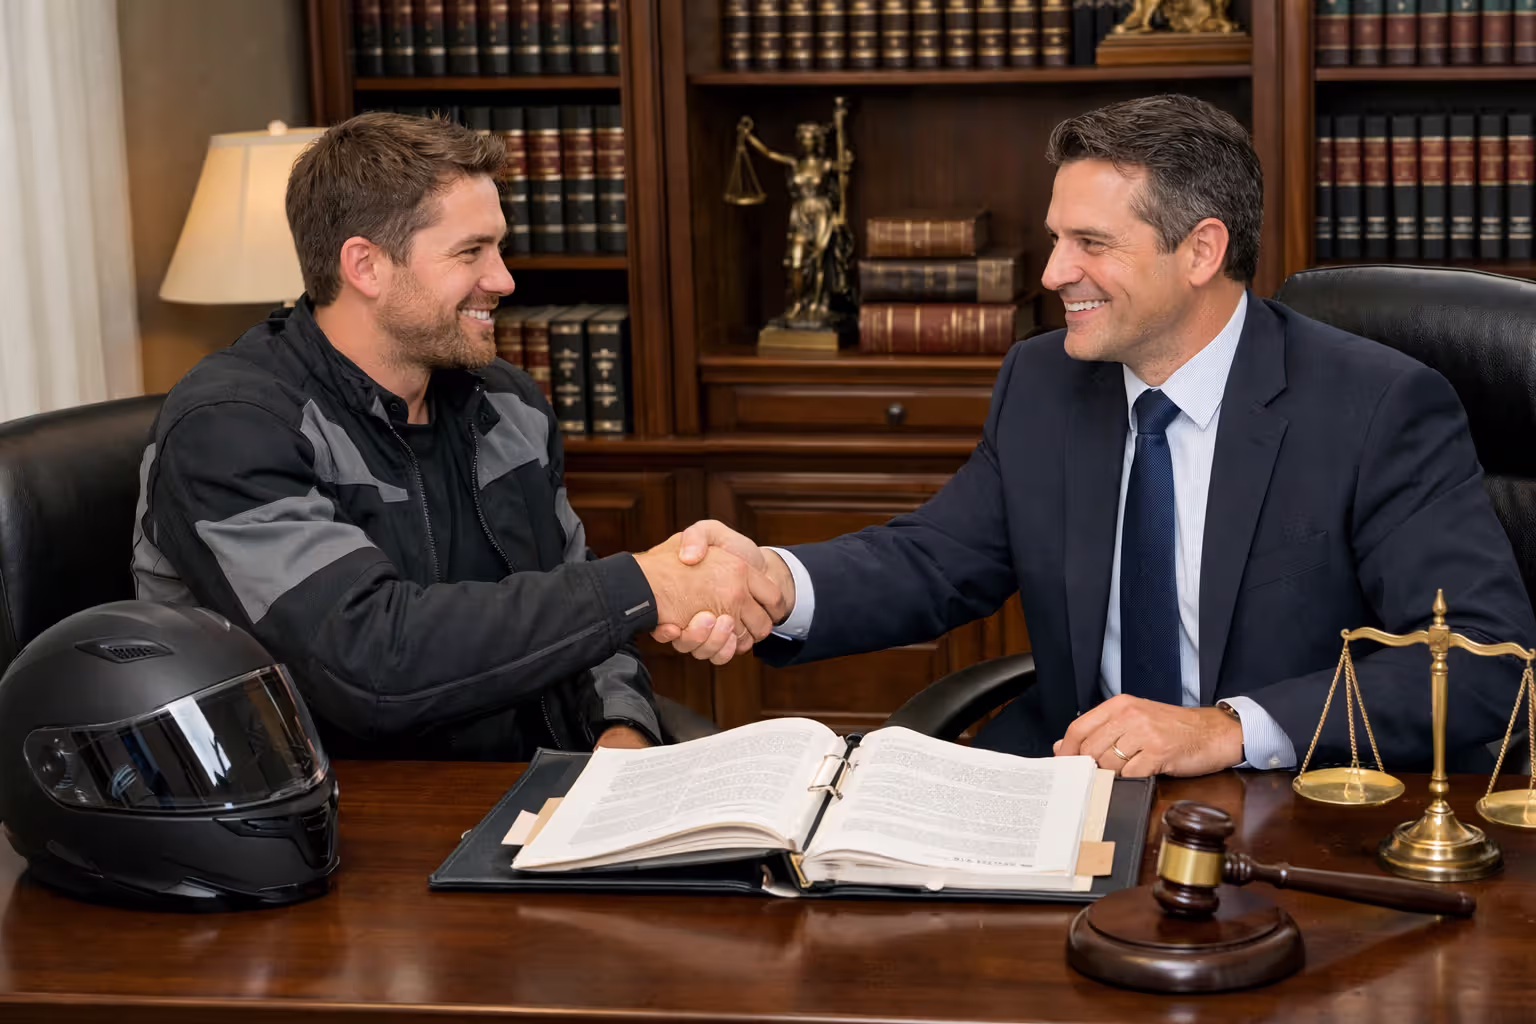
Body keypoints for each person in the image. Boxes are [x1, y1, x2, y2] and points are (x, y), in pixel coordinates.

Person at [654, 94, 1536, 777]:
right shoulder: (1044, 381)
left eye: (1090, 243)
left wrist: (1226, 729)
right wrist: (778, 583)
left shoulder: (1377, 405)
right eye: (1055, 238)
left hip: (1281, 801)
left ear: (1201, 251)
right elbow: (935, 559)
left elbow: (1482, 661)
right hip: (1070, 777)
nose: (1052, 273)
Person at [133, 112, 783, 761]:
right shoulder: (229, 429)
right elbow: (370, 663)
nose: (503, 280)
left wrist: (621, 731)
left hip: (519, 787)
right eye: (471, 252)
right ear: (365, 266)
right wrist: (642, 584)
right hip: (343, 807)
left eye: (498, 248)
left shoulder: (508, 405)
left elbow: (587, 626)